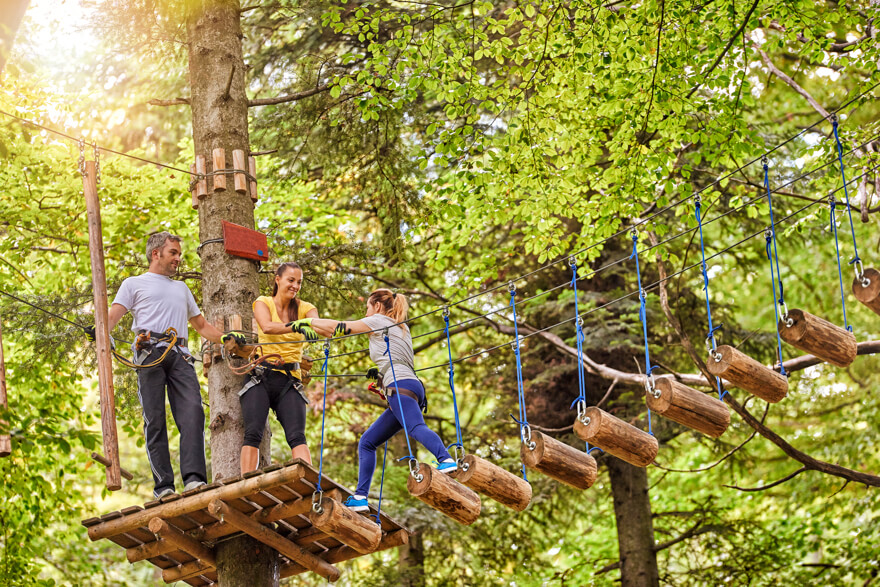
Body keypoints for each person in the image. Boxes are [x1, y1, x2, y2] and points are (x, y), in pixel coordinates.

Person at [290, 288, 456, 512]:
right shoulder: (401, 327)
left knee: (416, 427)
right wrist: (380, 376)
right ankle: (360, 497)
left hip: (401, 385)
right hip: (408, 385)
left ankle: (445, 459)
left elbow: (339, 328)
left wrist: (308, 321)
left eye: (367, 307)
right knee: (367, 442)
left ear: (377, 306)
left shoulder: (379, 320)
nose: (366, 312)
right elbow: (395, 359)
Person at [89, 232, 228, 499]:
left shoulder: (181, 289)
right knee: (154, 419)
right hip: (149, 352)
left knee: (193, 414)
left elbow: (201, 326)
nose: (179, 258)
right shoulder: (134, 284)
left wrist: (227, 339)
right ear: (156, 254)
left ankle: (194, 479)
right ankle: (164, 486)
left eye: (178, 253)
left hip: (180, 355)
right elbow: (111, 319)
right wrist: (98, 330)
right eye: (173, 252)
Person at [228, 262, 318, 474]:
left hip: (290, 380)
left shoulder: (305, 308)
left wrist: (326, 326)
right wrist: (296, 325)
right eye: (291, 280)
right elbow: (267, 326)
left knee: (297, 436)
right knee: (253, 433)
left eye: (299, 282)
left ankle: (310, 483)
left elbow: (319, 322)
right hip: (261, 376)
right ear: (277, 280)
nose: (295, 285)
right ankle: (245, 483)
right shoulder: (264, 302)